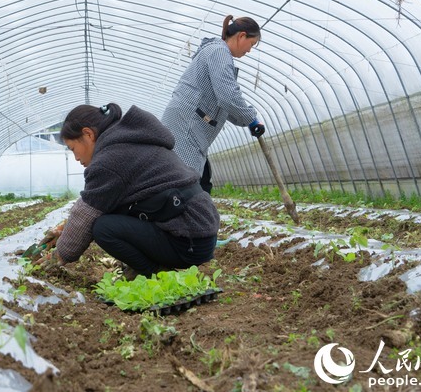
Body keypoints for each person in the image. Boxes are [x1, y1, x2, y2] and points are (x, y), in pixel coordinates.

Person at [37, 103, 220, 279]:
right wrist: (65, 228)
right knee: (108, 215)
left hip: (188, 241)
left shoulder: (110, 159)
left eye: (73, 148)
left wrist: (59, 255)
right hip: (199, 234)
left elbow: (86, 213)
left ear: (88, 134)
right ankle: (150, 269)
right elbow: (101, 203)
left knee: (103, 228)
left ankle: (155, 273)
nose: (76, 157)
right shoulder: (128, 142)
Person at [162, 15, 266, 194]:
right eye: (252, 44)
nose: (249, 50)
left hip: (187, 125)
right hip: (186, 127)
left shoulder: (215, 51)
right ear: (242, 36)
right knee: (185, 187)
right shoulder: (219, 52)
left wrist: (248, 121)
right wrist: (251, 118)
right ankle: (181, 220)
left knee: (194, 183)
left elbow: (223, 103)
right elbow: (228, 96)